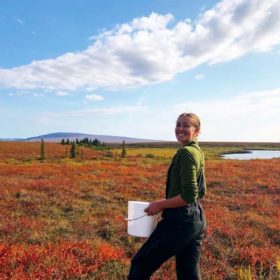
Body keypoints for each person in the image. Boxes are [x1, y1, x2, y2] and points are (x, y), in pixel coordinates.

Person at [128, 113, 207, 280]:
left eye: (186, 125)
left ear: (197, 130)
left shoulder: (185, 153)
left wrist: (160, 204)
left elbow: (189, 195)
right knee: (188, 273)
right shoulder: (197, 151)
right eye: (178, 124)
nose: (180, 129)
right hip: (196, 220)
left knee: (140, 265)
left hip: (179, 221)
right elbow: (202, 192)